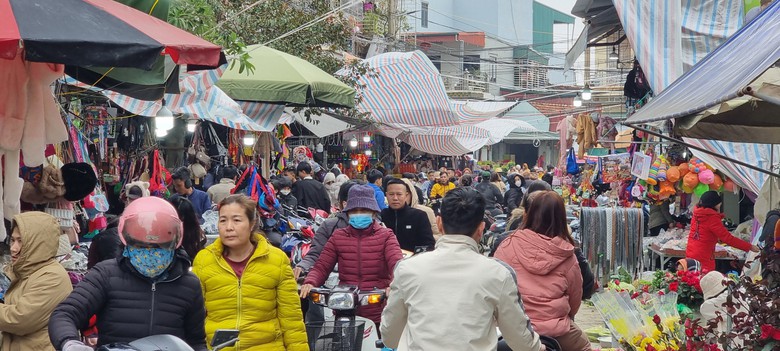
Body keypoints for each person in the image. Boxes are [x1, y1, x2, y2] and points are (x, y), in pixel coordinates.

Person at [381, 188, 544, 351]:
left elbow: (389, 336)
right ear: (481, 229)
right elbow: (522, 341)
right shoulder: (498, 274)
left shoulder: (407, 269)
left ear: (439, 223)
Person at [49, 197, 208, 351]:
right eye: (141, 246)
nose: (150, 255)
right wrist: (70, 343)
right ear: (127, 242)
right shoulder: (106, 274)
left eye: (159, 247)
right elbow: (65, 314)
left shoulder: (189, 284)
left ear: (175, 243)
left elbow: (196, 341)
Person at [193, 195, 307, 350]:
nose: (229, 227)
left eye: (237, 220)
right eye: (223, 220)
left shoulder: (277, 260)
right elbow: (194, 318)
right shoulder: (204, 260)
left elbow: (291, 320)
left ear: (252, 224)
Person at [494, 191, 590, 350]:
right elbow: (575, 297)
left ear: (528, 213)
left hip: (514, 329)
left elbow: (495, 286)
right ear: (561, 218)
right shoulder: (566, 253)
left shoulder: (507, 244)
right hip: (556, 330)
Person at [299, 185, 403, 328]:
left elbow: (397, 263)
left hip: (378, 308)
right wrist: (310, 282)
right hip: (344, 309)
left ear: (373, 213)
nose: (359, 214)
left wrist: (394, 285)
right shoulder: (338, 236)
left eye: (364, 210)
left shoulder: (386, 236)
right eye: (355, 211)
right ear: (347, 213)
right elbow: (322, 266)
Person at [1, 212, 72, 351]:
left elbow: (19, 320)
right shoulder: (28, 270)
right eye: (13, 240)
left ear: (38, 243)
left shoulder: (52, 277)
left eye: (21, 241)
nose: (13, 248)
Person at [294, 180, 362, 280]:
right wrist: (302, 266)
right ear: (343, 203)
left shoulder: (379, 229)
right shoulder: (329, 226)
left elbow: (391, 258)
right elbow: (316, 254)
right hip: (333, 283)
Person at [686, 191, 758, 272]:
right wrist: (749, 247)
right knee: (704, 280)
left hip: (691, 252)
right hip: (704, 256)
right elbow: (728, 239)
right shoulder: (711, 218)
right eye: (719, 203)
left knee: (692, 279)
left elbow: (704, 232)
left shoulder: (697, 214)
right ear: (714, 204)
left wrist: (716, 238)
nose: (720, 205)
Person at [382, 178, 436, 252]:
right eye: (391, 194)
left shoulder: (419, 216)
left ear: (406, 195)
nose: (395, 198)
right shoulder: (382, 215)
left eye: (399, 194)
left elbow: (429, 245)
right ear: (386, 195)